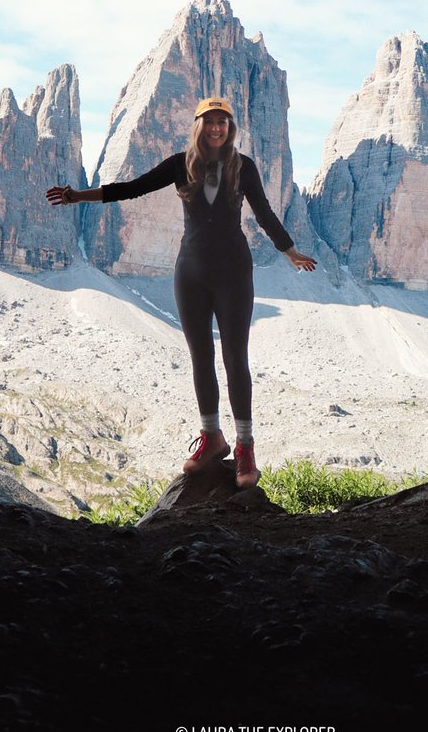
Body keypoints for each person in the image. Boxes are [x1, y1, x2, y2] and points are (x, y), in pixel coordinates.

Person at [46, 97, 316, 490]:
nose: (217, 128)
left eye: (223, 122)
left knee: (234, 356)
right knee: (200, 355)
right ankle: (212, 438)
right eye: (210, 121)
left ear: (231, 127)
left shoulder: (245, 167)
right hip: (189, 272)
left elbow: (264, 214)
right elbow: (131, 189)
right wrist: (77, 196)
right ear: (198, 125)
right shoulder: (179, 164)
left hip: (234, 272)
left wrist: (288, 251)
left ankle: (245, 446)